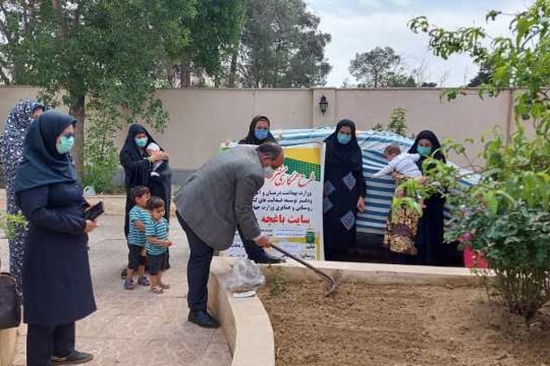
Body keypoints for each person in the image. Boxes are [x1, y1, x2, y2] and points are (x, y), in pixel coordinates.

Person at [14, 111, 97, 365]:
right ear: (48, 136)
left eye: (72, 135)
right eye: (66, 135)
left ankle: (63, 349)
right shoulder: (32, 170)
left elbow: (68, 193)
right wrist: (78, 224)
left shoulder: (62, 161)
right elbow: (36, 212)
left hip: (70, 244)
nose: (70, 140)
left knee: (67, 298)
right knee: (47, 305)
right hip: (47, 249)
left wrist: (85, 207)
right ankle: (40, 360)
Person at [174, 143, 284, 328]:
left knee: (242, 216)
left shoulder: (245, 150)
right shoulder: (253, 172)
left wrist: (255, 242)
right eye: (275, 167)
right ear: (266, 159)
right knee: (201, 257)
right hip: (196, 212)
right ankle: (196, 310)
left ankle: (256, 254)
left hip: (191, 198)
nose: (274, 171)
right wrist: (259, 237)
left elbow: (242, 209)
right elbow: (242, 209)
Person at [0, 100, 44, 295]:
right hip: (19, 203)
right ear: (21, 117)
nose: (38, 121)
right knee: (20, 247)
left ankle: (40, 289)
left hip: (42, 202)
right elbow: (15, 170)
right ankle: (20, 292)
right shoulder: (8, 140)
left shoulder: (40, 139)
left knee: (41, 246)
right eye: (34, 116)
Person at [119, 124, 171, 277]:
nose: (142, 140)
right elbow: (131, 167)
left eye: (144, 136)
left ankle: (156, 262)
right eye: (138, 137)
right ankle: (135, 263)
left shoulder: (152, 147)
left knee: (156, 226)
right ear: (132, 138)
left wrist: (161, 157)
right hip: (138, 197)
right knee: (136, 229)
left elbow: (164, 160)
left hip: (153, 196)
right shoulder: (126, 152)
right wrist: (149, 160)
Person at [238, 115, 281, 264]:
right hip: (242, 187)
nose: (262, 131)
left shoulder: (273, 145)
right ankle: (257, 253)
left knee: (244, 218)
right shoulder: (243, 145)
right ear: (252, 128)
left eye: (265, 129)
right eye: (259, 128)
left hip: (259, 190)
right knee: (243, 216)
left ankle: (257, 254)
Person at [323, 119, 366, 261]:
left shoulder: (355, 151)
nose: (344, 136)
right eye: (342, 132)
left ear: (352, 135)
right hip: (328, 194)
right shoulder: (326, 147)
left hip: (349, 195)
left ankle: (345, 255)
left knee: (346, 222)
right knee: (328, 221)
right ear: (336, 132)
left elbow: (359, 175)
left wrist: (361, 196)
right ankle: (327, 253)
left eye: (348, 133)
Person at [407, 130, 451, 266]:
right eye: (421, 144)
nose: (423, 148)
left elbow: (444, 186)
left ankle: (432, 261)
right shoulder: (409, 160)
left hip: (433, 206)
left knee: (431, 235)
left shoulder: (439, 163)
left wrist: (430, 187)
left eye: (427, 145)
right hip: (413, 205)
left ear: (433, 147)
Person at [124, 186, 151, 290]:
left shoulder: (148, 211)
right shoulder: (135, 211)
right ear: (137, 199)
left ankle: (141, 277)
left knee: (142, 261)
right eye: (146, 197)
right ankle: (128, 279)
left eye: (149, 196)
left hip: (144, 242)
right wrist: (151, 230)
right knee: (133, 262)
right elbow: (138, 224)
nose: (149, 199)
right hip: (135, 242)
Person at [145, 196, 171, 294]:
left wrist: (166, 240)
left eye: (162, 210)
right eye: (158, 211)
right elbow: (149, 238)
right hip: (154, 252)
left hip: (162, 250)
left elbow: (165, 231)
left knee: (161, 268)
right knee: (154, 270)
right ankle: (153, 286)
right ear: (150, 212)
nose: (161, 213)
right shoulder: (151, 223)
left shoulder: (164, 221)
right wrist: (162, 242)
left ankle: (159, 282)